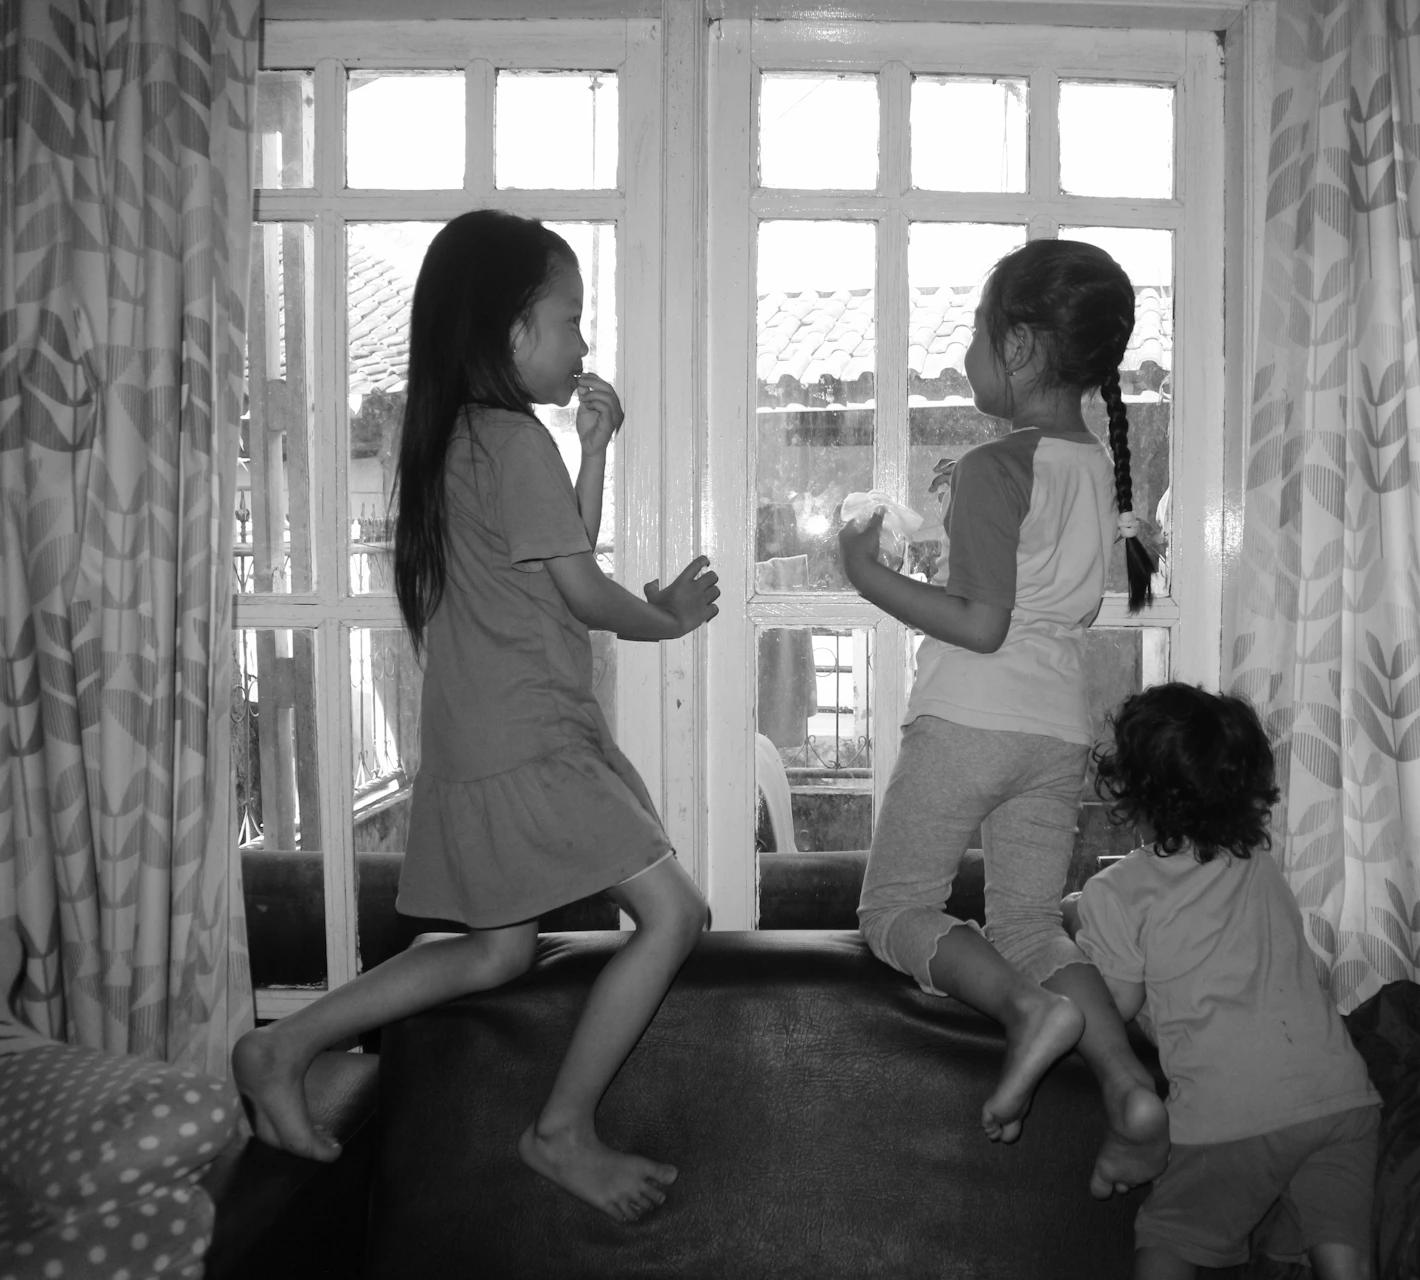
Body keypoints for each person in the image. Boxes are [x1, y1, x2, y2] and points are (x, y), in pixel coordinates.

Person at [232, 209, 721, 1224]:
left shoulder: (459, 438)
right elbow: (583, 592)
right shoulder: (507, 436)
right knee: (676, 913)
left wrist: (593, 450)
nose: (583, 343)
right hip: (530, 740)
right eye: (571, 317)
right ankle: (561, 1126)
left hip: (483, 738)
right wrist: (666, 617)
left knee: (498, 949)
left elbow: (547, 558)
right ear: (511, 329)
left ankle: (283, 1042)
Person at [838, 238, 1168, 1199]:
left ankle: (1027, 1014)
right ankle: (1125, 1085)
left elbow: (981, 624)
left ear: (1020, 348)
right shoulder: (1091, 469)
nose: (967, 361)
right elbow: (1045, 607)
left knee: (894, 909)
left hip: (968, 722)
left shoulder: (996, 465)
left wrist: (868, 572)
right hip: (1056, 729)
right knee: (1030, 921)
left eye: (976, 340)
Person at [1068, 683, 1381, 1280]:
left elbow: (1116, 1002)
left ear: (1133, 792)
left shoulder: (1116, 894)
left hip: (1229, 1117)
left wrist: (1076, 923)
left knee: (1167, 1243)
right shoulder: (1258, 863)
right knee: (1345, 1258)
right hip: (1342, 1097)